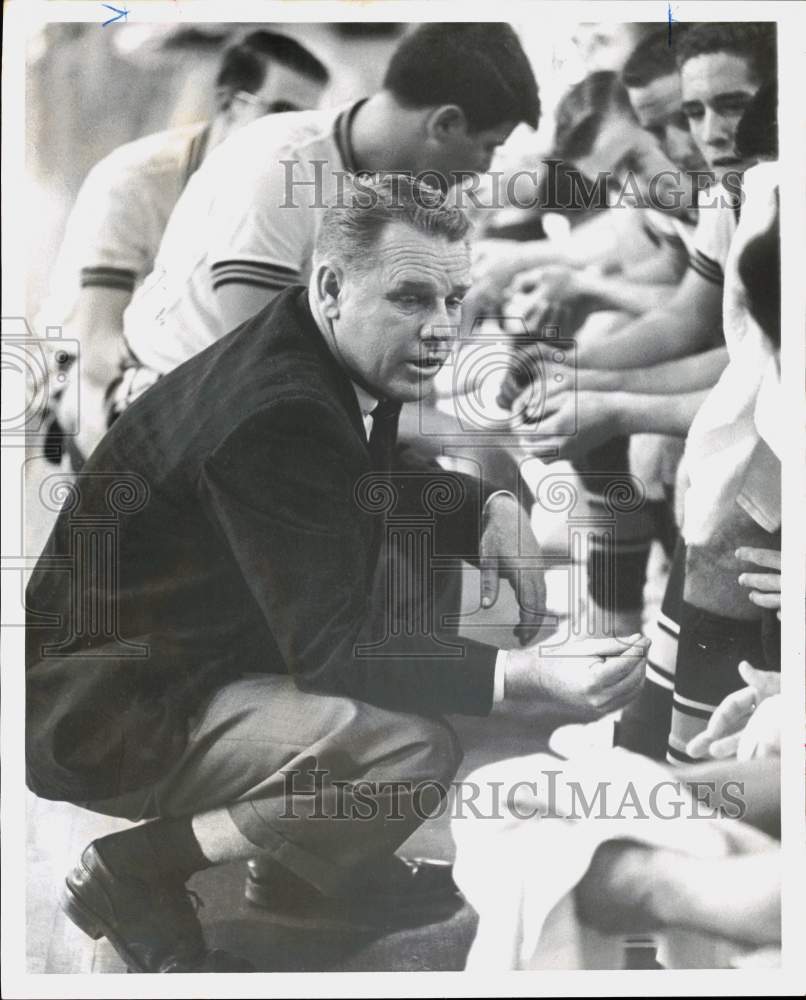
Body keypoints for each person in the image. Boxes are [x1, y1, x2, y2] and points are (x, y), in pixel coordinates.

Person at [26, 178, 650, 973]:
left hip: (150, 659)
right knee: (405, 751)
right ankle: (139, 870)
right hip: (105, 713)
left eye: (455, 300)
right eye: (413, 299)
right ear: (330, 287)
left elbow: (347, 483)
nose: (442, 330)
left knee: (410, 653)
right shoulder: (280, 408)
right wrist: (524, 674)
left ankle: (301, 874)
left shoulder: (319, 348)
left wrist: (484, 506)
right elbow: (332, 649)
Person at [118, 23, 540, 394]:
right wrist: (432, 427)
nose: (483, 169)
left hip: (258, 398)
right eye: (488, 147)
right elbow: (263, 372)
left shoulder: (399, 185)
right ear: (445, 124)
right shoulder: (280, 166)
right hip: (172, 397)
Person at [43, 31, 329, 465]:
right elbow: (97, 342)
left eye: (308, 122)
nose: (294, 134)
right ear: (231, 105)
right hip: (97, 376)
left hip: (199, 381)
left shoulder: (289, 189)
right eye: (282, 112)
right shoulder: (132, 179)